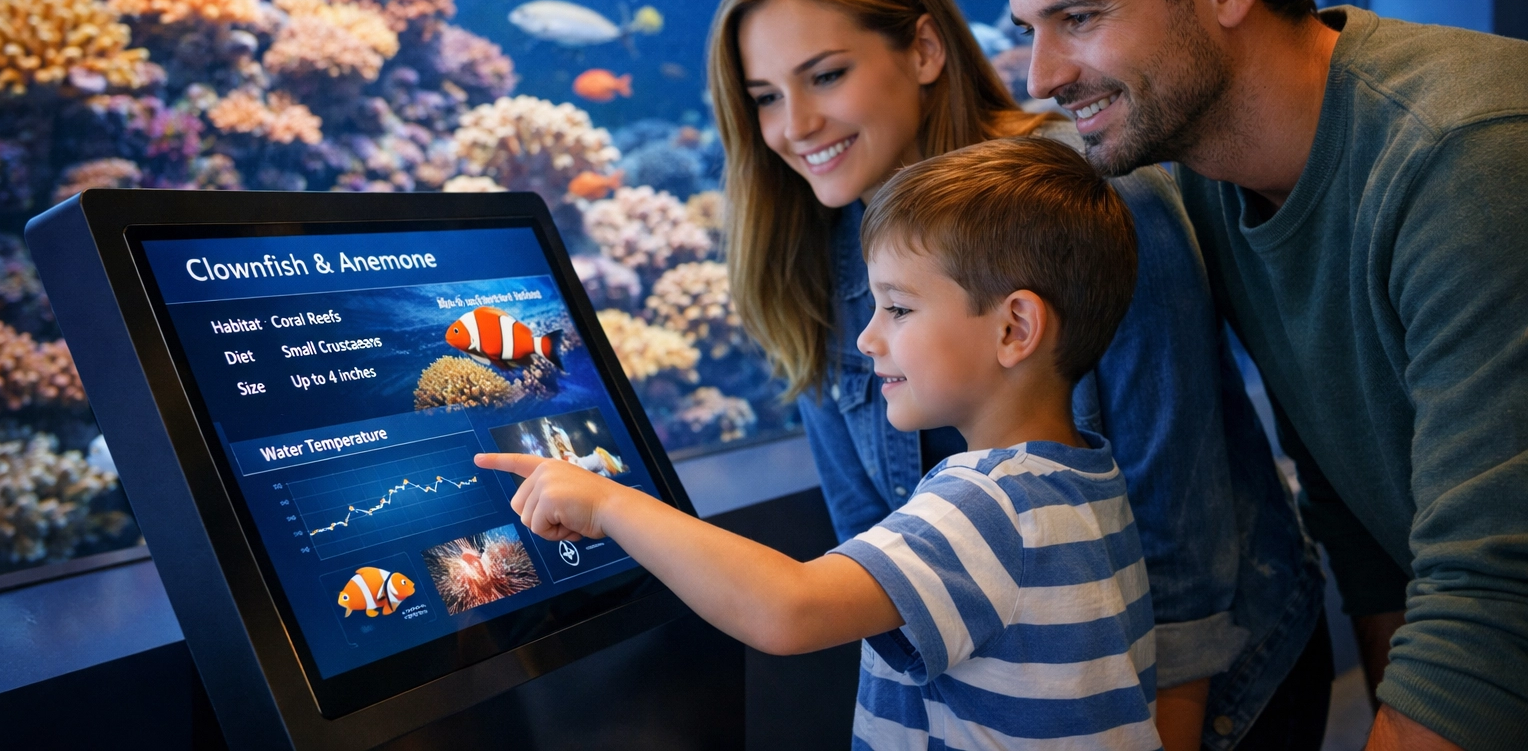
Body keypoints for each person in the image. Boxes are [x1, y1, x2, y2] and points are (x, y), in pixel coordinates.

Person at [973, 0, 1528, 751]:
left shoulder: (1465, 157)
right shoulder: (1210, 179)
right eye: (1031, 29)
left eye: (1081, 16)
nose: (1044, 77)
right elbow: (1363, 517)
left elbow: (1499, 591)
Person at [706, 0, 1326, 749]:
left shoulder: (1095, 196)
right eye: (765, 98)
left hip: (1201, 688)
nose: (796, 125)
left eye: (825, 76)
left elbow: (1184, 536)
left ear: (924, 50)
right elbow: (871, 546)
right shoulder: (805, 263)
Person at [481, 137, 1161, 749]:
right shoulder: (1084, 477)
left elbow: (789, 609)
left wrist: (608, 505)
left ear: (1014, 328)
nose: (867, 338)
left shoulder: (987, 508)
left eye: (898, 307)